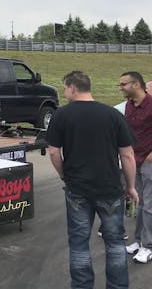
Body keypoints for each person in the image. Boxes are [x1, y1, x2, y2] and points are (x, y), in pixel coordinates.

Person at [46, 70, 137, 288]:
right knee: (115, 242)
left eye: (65, 88)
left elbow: (53, 152)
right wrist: (131, 186)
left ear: (73, 88)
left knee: (79, 243)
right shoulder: (113, 114)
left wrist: (63, 175)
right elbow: (127, 154)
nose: (65, 93)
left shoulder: (62, 115)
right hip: (110, 188)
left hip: (77, 189)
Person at [119, 71, 152, 263]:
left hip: (149, 161)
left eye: (124, 84)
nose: (121, 87)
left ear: (136, 85)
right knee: (139, 203)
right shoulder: (129, 106)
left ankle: (148, 246)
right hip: (135, 160)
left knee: (149, 205)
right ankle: (140, 241)